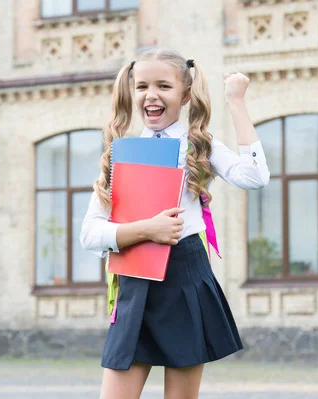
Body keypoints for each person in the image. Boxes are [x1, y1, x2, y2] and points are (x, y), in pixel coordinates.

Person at [79, 48, 270, 399]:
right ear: (131, 92)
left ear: (184, 95)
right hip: (135, 284)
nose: (151, 95)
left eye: (163, 86)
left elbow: (255, 177)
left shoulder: (200, 146)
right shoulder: (121, 153)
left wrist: (237, 104)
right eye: (142, 86)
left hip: (185, 279)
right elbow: (90, 234)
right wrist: (146, 230)